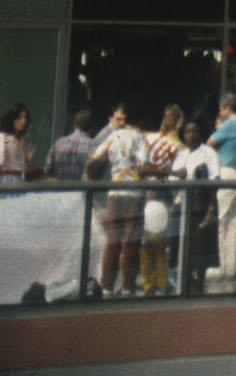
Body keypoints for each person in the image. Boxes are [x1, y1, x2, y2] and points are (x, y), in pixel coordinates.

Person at [90, 104, 151, 298]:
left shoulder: (112, 136)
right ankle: (128, 288)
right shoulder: (139, 137)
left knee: (113, 242)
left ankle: (106, 287)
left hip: (114, 194)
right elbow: (143, 167)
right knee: (131, 242)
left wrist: (95, 177)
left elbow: (93, 162)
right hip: (133, 194)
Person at [171, 120, 222, 295]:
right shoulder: (181, 154)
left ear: (200, 133)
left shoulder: (208, 153)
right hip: (181, 204)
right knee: (181, 246)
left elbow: (215, 180)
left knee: (200, 247)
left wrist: (211, 209)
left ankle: (199, 284)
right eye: (187, 132)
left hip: (200, 205)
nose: (191, 135)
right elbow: (171, 180)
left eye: (194, 131)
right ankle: (184, 283)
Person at [140, 105, 184, 294]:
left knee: (161, 240)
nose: (168, 119)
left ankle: (162, 281)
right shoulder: (154, 138)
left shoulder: (177, 143)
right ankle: (148, 282)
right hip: (153, 188)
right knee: (147, 239)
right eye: (166, 116)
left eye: (171, 116)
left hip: (165, 190)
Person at [207, 95, 236, 280]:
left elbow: (209, 144)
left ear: (228, 108)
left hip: (226, 171)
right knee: (232, 221)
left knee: (223, 222)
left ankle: (223, 267)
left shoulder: (230, 124)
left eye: (221, 109)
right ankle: (229, 267)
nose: (220, 112)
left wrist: (218, 130)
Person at [0, 102, 36, 182]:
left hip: (19, 180)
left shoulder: (22, 141)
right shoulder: (4, 139)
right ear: (11, 119)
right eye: (19, 118)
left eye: (25, 117)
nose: (23, 121)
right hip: (6, 180)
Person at [46, 110, 94, 183]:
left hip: (58, 188)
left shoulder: (59, 142)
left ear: (74, 125)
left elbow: (48, 168)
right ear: (92, 127)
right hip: (80, 189)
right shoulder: (92, 145)